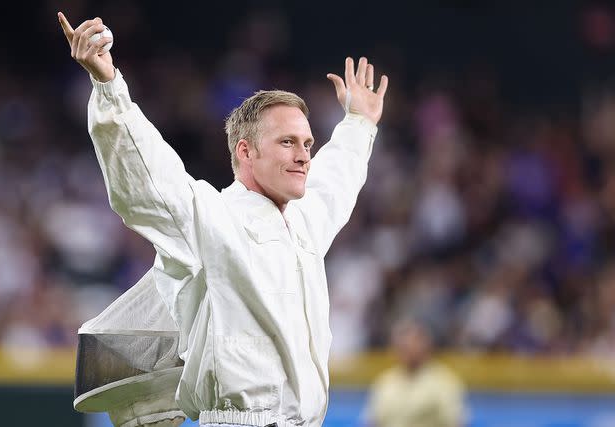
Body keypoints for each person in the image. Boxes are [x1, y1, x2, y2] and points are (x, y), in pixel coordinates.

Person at [58, 11, 388, 427]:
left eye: (307, 143)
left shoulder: (303, 221)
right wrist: (109, 87)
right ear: (246, 152)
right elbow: (147, 179)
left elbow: (335, 178)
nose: (304, 154)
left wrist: (359, 123)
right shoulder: (212, 216)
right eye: (287, 142)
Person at [363, 317, 466, 427]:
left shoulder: (444, 382)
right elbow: (371, 421)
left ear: (427, 346)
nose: (407, 347)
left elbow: (456, 422)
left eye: (413, 342)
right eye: (403, 344)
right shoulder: (386, 381)